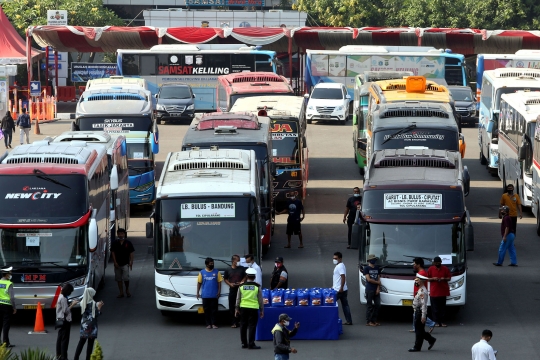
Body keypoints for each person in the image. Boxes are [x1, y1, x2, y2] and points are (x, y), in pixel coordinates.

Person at [235, 268, 264, 349]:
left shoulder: (241, 286)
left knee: (243, 325)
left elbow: (238, 298)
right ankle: (251, 343)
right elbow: (260, 300)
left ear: (246, 276)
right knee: (252, 326)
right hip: (253, 308)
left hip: (243, 307)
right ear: (254, 277)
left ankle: (244, 343)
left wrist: (236, 309)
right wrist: (262, 310)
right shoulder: (257, 286)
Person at [408, 273, 436, 352]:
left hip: (420, 312)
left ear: (421, 282)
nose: (416, 282)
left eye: (417, 281)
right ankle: (431, 339)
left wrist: (423, 316)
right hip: (418, 311)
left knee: (418, 331)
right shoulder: (420, 290)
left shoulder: (423, 291)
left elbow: (424, 305)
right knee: (420, 330)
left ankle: (417, 347)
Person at [73, 288, 103, 360]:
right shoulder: (93, 303)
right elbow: (96, 314)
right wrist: (99, 307)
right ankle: (88, 358)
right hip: (92, 326)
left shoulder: (82, 302)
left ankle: (76, 357)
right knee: (90, 343)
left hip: (84, 325)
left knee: (81, 342)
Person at [196, 257, 222, 329]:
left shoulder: (217, 272)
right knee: (206, 310)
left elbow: (219, 282)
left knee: (214, 311)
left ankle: (214, 323)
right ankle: (208, 324)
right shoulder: (202, 272)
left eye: (213, 263)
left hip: (214, 295)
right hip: (205, 295)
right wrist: (197, 292)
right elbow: (199, 283)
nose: (212, 264)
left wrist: (219, 291)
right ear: (207, 264)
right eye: (210, 263)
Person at [411, 258, 435, 333]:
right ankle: (415, 327)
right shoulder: (420, 272)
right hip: (418, 293)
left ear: (419, 265)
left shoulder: (422, 274)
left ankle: (431, 323)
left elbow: (420, 285)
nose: (413, 265)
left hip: (420, 294)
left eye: (415, 264)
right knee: (416, 311)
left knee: (418, 312)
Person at [56, 284, 79, 360]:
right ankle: (64, 356)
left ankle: (58, 355)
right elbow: (66, 310)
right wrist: (73, 304)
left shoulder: (60, 296)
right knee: (65, 339)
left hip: (60, 319)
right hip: (65, 320)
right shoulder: (63, 298)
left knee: (60, 338)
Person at [111, 228, 135, 298]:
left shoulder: (128, 243)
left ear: (124, 234)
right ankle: (121, 292)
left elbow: (131, 253)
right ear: (117, 234)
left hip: (125, 263)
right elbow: (113, 252)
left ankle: (127, 290)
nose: (120, 235)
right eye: (119, 234)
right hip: (117, 264)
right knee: (118, 279)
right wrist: (115, 262)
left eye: (122, 233)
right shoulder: (115, 243)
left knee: (126, 278)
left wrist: (131, 262)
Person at [427, 256, 451, 327]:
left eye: (438, 262)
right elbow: (427, 279)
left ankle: (442, 322)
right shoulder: (431, 269)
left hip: (443, 292)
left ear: (441, 262)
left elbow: (449, 278)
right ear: (434, 263)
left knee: (442, 309)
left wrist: (444, 279)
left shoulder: (445, 269)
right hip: (434, 292)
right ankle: (436, 322)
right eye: (436, 263)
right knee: (435, 309)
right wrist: (433, 278)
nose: (437, 264)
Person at [224, 254, 246, 328]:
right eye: (238, 260)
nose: (239, 261)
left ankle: (240, 321)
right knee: (232, 306)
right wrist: (230, 284)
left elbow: (245, 276)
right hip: (232, 290)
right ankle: (234, 322)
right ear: (233, 261)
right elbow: (225, 279)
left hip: (241, 290)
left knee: (241, 306)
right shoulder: (228, 269)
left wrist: (241, 282)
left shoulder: (242, 269)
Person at [332, 252, 353, 325]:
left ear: (340, 259)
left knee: (330, 303)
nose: (334, 260)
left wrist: (341, 288)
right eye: (333, 258)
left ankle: (332, 320)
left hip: (339, 290)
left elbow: (343, 277)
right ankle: (349, 320)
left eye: (336, 258)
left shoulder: (340, 266)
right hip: (342, 289)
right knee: (345, 305)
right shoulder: (340, 265)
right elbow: (337, 278)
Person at [364, 254, 381, 326]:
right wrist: (377, 283)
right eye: (372, 259)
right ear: (369, 260)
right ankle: (369, 321)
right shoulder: (366, 268)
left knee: (377, 305)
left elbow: (379, 278)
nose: (374, 260)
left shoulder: (377, 268)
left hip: (375, 289)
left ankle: (373, 320)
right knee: (369, 305)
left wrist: (378, 288)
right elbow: (368, 279)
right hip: (369, 289)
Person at [0, 267, 15, 348]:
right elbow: (12, 297)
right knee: (6, 325)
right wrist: (14, 307)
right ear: (6, 275)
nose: (10, 275)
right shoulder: (9, 284)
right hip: (6, 306)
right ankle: (6, 342)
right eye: (10, 273)